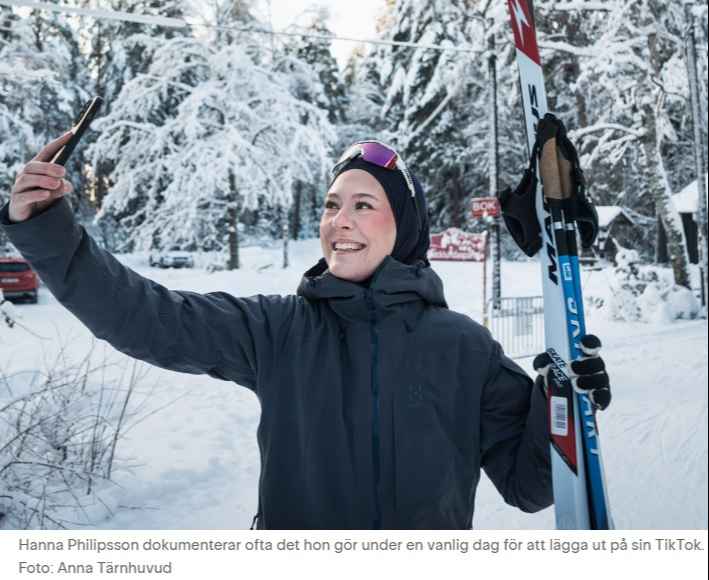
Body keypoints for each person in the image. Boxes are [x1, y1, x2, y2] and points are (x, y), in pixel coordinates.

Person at [1, 134, 611, 529]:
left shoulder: (463, 347)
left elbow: (531, 486)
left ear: (406, 228)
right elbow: (144, 317)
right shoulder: (278, 329)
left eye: (363, 205)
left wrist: (560, 404)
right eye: (330, 204)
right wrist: (48, 231)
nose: (339, 221)